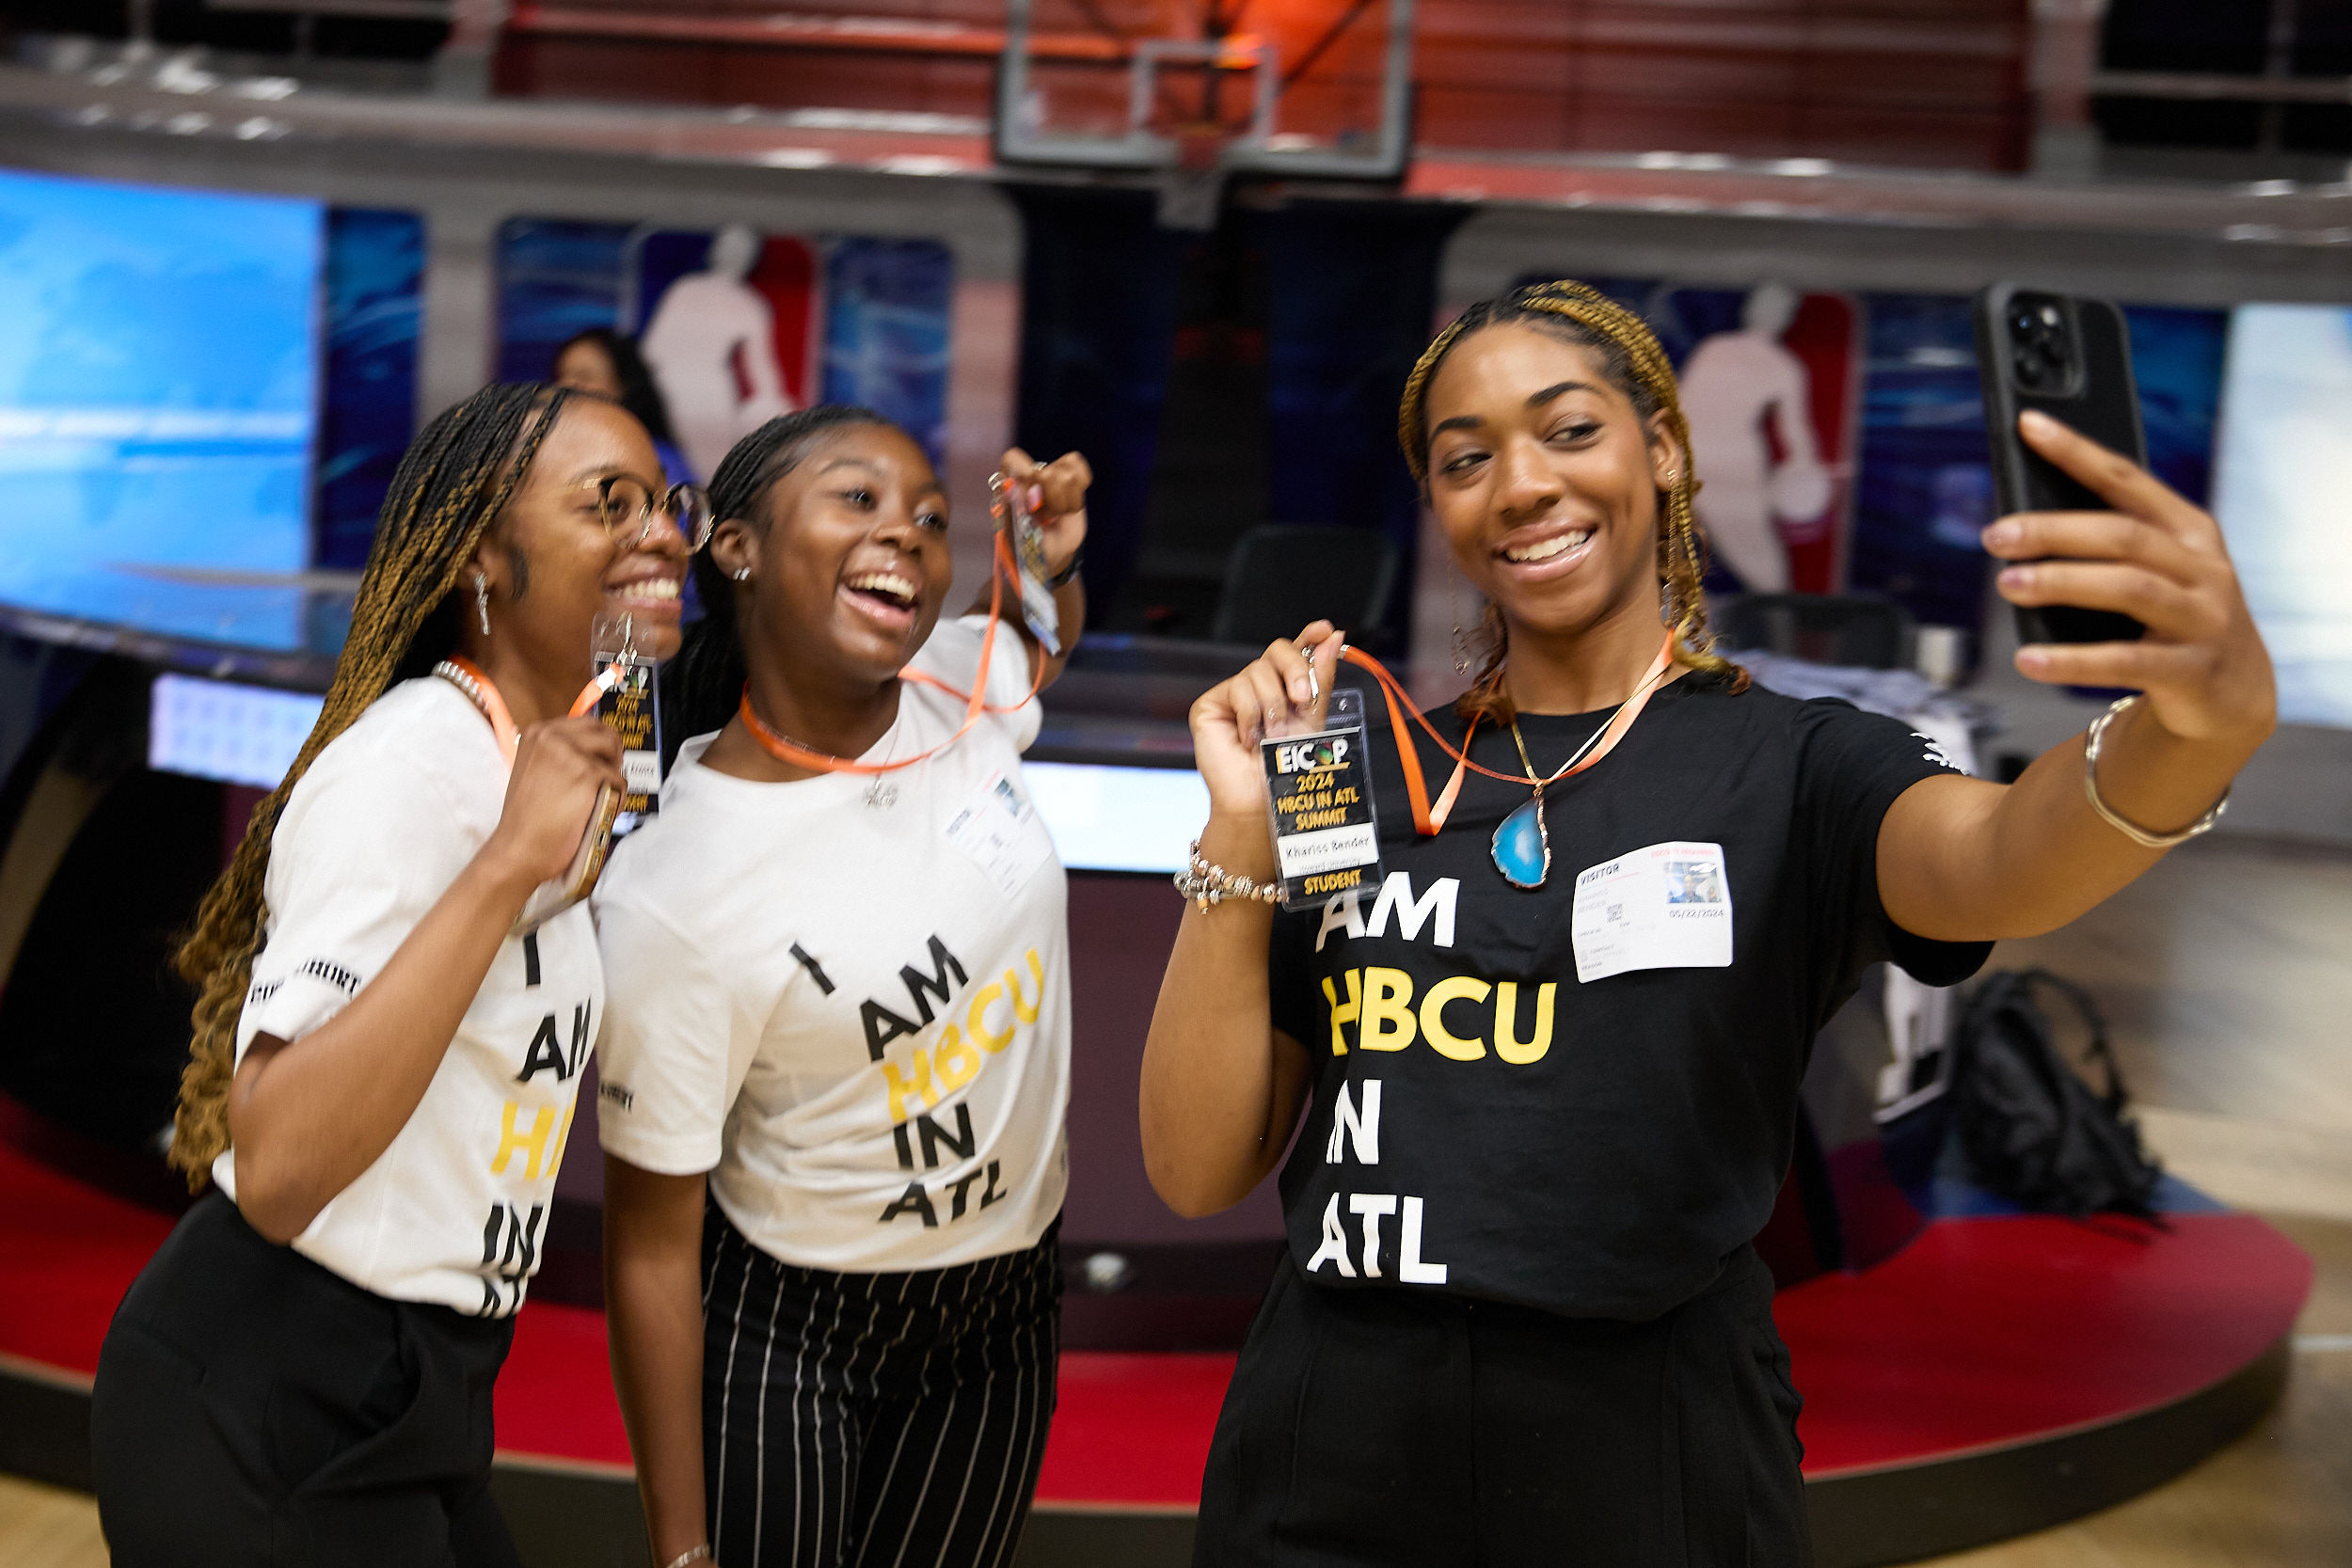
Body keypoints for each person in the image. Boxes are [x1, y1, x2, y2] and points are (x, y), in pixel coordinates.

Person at [1139, 279, 2275, 1566]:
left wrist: (2195, 731)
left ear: (1664, 448)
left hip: (1646, 1445)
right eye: (1467, 458)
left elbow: (2006, 857)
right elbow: (1195, 1167)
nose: (1521, 484)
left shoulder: (1798, 765)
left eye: (1570, 430)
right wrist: (1239, 833)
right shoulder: (1362, 776)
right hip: (1327, 1435)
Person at [90, 383, 700, 1566]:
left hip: (420, 1387)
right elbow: (276, 1167)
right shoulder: (405, 770)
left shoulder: (548, 756)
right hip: (268, 1398)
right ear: (481, 553)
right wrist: (503, 864)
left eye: (666, 502)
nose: (661, 532)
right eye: (608, 503)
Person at [595, 406, 1091, 1568]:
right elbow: (650, 1248)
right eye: (859, 498)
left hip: (1008, 1307)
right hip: (793, 1327)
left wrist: (1045, 562)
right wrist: (681, 1549)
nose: (908, 532)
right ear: (737, 546)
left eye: (929, 515)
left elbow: (1034, 643)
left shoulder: (957, 688)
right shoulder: (675, 885)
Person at [1677, 281, 1832, 593]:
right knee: (1758, 559)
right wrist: (1804, 469)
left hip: (1692, 453)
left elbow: (1680, 404)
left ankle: (1773, 613)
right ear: (1785, 318)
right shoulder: (1783, 365)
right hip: (1729, 458)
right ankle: (1775, 613)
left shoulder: (1716, 348)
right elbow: (1795, 431)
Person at [641, 224, 795, 483]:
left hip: (694, 389)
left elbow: (651, 351)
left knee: (703, 475)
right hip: (693, 389)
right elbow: (651, 351)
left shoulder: (701, 292)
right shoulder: (699, 292)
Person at [554, 325, 696, 484]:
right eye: (561, 376)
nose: (567, 386)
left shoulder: (658, 459)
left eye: (584, 377)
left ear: (623, 387)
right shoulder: (550, 453)